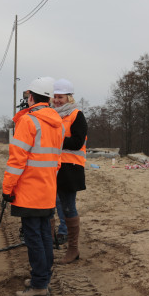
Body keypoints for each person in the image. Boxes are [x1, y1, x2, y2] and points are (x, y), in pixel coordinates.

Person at [2, 77, 64, 296]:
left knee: (34, 238)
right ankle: (43, 277)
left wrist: (8, 188)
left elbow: (17, 160)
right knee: (45, 235)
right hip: (47, 188)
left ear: (31, 97)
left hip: (29, 191)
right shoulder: (57, 122)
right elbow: (57, 160)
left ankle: (39, 284)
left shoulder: (29, 121)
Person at [52, 78, 87, 264]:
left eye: (61, 97)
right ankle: (49, 243)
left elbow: (77, 142)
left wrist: (54, 140)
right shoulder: (50, 114)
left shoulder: (76, 115)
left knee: (67, 207)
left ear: (69, 98)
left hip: (70, 168)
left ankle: (73, 249)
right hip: (52, 166)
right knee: (49, 206)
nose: (57, 100)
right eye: (55, 96)